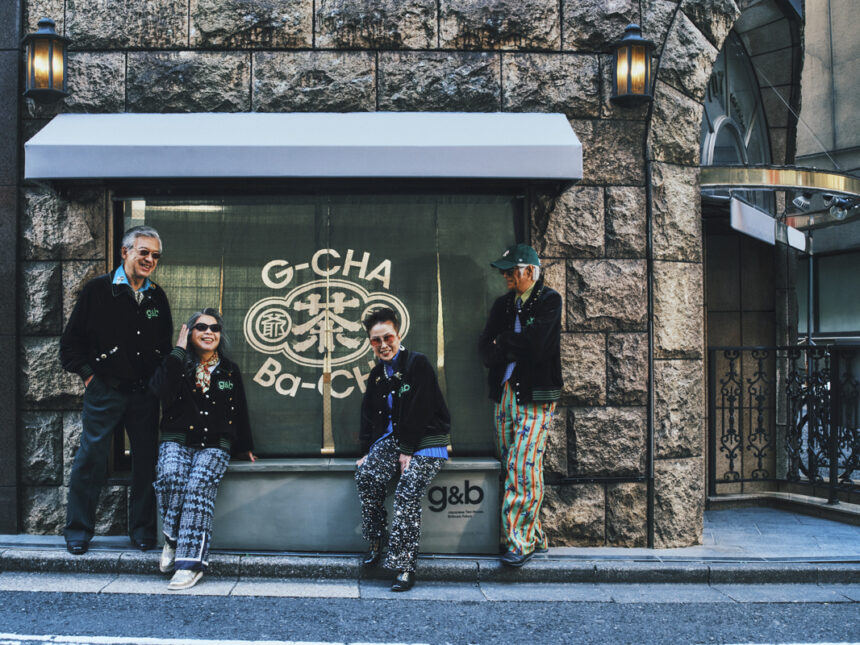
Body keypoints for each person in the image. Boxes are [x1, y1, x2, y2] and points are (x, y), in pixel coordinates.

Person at [60, 226, 172, 555]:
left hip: (144, 396)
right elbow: (70, 346)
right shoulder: (97, 290)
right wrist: (90, 378)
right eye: (143, 252)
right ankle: (78, 531)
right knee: (90, 458)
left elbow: (164, 347)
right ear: (125, 252)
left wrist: (156, 385)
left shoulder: (157, 296)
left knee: (146, 462)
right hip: (105, 391)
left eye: (155, 255)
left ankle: (143, 530)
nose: (150, 259)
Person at [149, 308, 256, 590]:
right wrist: (178, 352)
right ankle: (173, 539)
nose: (209, 332)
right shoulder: (177, 364)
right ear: (190, 333)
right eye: (202, 327)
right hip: (177, 439)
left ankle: (189, 564)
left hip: (215, 444)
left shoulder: (229, 370)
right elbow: (159, 391)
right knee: (170, 476)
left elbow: (240, 409)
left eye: (215, 328)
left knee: (197, 488)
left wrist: (244, 446)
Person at [478, 243, 562, 567]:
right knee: (511, 464)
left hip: (535, 397)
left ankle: (519, 541)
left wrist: (504, 341)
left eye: (511, 271)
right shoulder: (502, 305)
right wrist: (512, 344)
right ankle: (535, 535)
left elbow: (539, 346)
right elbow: (485, 351)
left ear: (530, 271)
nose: (506, 277)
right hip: (504, 394)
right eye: (505, 272)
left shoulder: (549, 300)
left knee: (522, 466)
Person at [355, 307, 451, 592]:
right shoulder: (377, 374)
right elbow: (370, 416)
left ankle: (405, 566)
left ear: (399, 335)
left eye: (388, 337)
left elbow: (421, 409)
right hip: (395, 441)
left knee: (406, 493)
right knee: (366, 476)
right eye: (376, 340)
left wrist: (407, 450)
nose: (383, 345)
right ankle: (377, 540)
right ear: (370, 343)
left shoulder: (417, 363)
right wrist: (368, 451)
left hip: (426, 441)